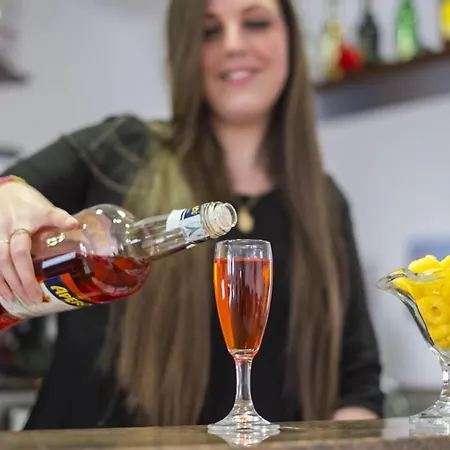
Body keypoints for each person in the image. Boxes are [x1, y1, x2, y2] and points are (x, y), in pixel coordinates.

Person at [0, 0, 383, 429]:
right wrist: (9, 196)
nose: (234, 45)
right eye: (209, 31)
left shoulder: (326, 204)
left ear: (292, 40)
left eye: (256, 23)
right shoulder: (120, 150)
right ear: (184, 52)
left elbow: (357, 383)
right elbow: (11, 191)